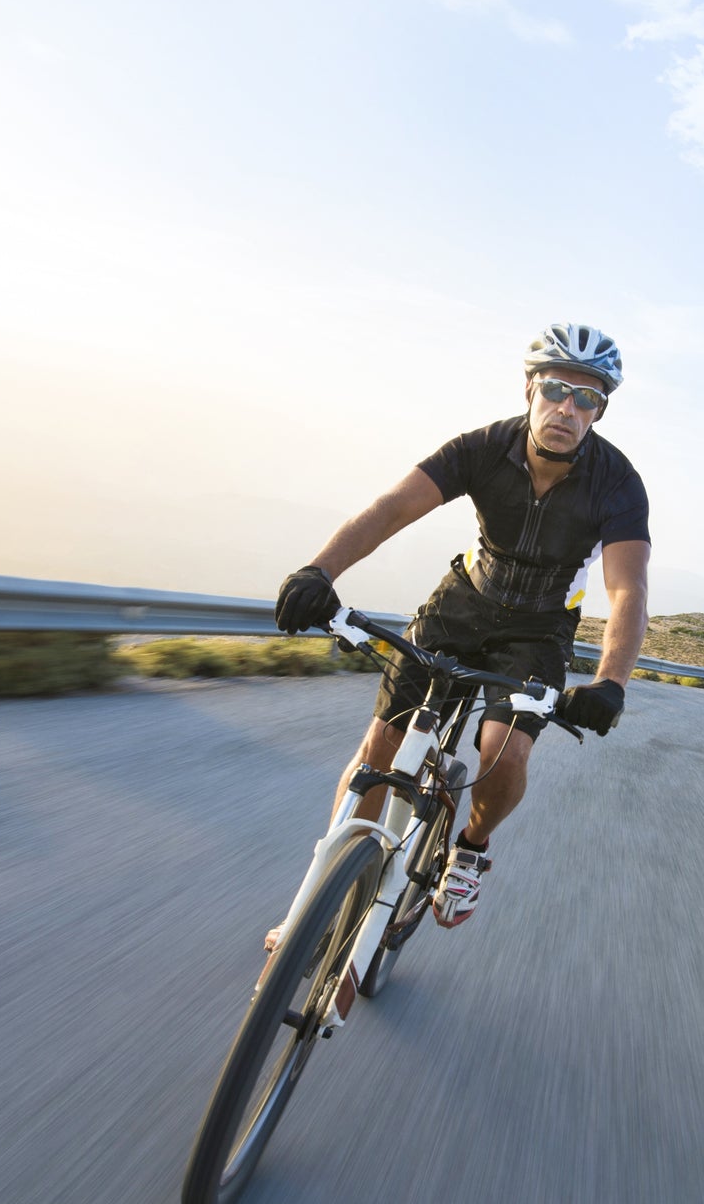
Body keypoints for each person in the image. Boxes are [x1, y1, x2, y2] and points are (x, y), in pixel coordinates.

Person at [271, 322, 651, 931]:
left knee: (503, 751)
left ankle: (470, 847)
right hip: (463, 603)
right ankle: (320, 899)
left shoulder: (619, 483)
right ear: (530, 388)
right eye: (556, 389)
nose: (567, 409)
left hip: (540, 628)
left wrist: (612, 682)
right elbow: (393, 509)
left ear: (601, 410)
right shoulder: (479, 449)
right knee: (380, 748)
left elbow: (627, 587)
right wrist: (320, 570)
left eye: (587, 399)